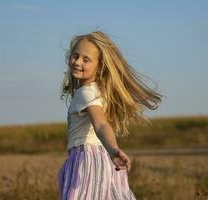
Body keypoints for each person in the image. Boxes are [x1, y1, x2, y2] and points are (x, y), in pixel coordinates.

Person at [58, 30, 163, 200]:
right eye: (75, 56)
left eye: (86, 60)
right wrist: (111, 152)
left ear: (100, 67)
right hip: (103, 159)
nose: (77, 62)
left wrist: (114, 150)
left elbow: (101, 125)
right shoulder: (97, 92)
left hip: (87, 160)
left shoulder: (86, 93)